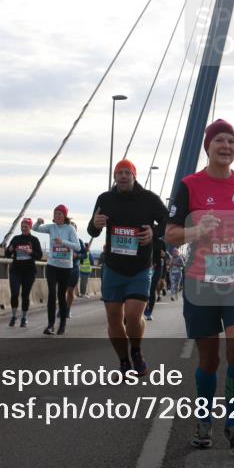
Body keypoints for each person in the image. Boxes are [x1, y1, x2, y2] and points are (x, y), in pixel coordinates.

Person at [166, 119, 234, 456]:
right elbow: (168, 234)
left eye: (231, 141)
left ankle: (233, 423)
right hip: (201, 284)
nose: (226, 146)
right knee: (209, 360)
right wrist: (194, 232)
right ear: (207, 147)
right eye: (219, 141)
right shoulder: (188, 186)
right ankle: (203, 421)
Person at [87, 158, 167, 376]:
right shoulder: (105, 199)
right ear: (114, 177)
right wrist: (95, 224)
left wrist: (154, 232)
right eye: (119, 173)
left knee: (132, 316)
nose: (123, 176)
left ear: (134, 176)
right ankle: (123, 361)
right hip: (113, 267)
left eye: (127, 173)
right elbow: (92, 231)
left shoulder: (149, 199)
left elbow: (168, 221)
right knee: (114, 318)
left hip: (140, 268)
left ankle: (136, 351)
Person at [34, 206, 79, 335]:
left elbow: (77, 246)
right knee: (52, 294)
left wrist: (63, 242)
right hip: (52, 265)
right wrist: (38, 222)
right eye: (55, 213)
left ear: (64, 216)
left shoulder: (70, 229)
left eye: (60, 214)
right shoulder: (51, 227)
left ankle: (62, 324)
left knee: (61, 295)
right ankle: (50, 325)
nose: (57, 216)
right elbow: (35, 229)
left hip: (65, 267)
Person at [4, 218, 43, 327]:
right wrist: (10, 249)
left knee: (25, 295)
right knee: (14, 294)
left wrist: (31, 252)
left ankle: (24, 317)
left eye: (26, 226)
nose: (23, 228)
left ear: (30, 227)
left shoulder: (34, 240)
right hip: (15, 271)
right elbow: (6, 254)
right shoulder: (16, 239)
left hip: (29, 272)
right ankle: (13, 316)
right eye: (22, 226)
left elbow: (39, 256)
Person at [145, 235, 167, 320]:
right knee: (144, 290)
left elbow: (164, 258)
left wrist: (164, 255)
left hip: (157, 268)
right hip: (145, 267)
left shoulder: (161, 242)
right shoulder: (144, 238)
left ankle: (149, 312)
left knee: (152, 289)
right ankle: (144, 309)